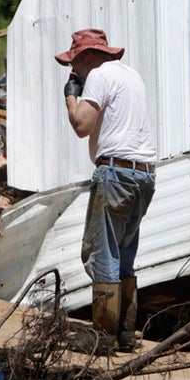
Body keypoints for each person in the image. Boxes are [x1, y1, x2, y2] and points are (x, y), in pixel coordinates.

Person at [56, 28, 156, 353]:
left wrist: (71, 95)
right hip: (143, 176)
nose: (74, 73)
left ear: (85, 56)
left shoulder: (98, 75)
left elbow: (81, 126)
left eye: (74, 65)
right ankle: (126, 336)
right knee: (124, 254)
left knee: (103, 255)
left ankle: (104, 340)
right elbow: (104, 133)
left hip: (115, 174)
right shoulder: (131, 76)